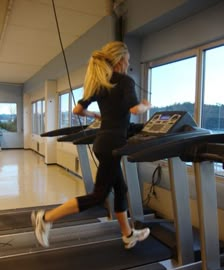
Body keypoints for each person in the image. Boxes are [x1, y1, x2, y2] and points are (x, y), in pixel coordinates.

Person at [31, 41, 151, 249]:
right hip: (112, 145)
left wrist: (94, 114)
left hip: (104, 142)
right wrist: (146, 105)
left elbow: (77, 110)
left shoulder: (100, 83)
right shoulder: (125, 82)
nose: (128, 64)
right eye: (128, 60)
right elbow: (134, 110)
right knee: (98, 196)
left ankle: (128, 235)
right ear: (120, 60)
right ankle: (46, 218)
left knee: (120, 189)